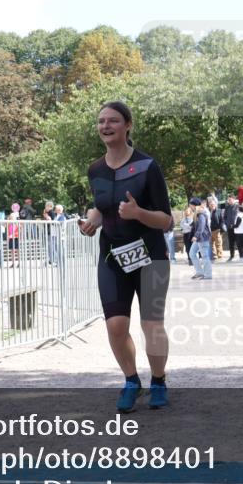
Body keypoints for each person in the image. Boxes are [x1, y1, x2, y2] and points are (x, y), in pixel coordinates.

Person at [78, 101, 173, 412]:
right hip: (112, 258)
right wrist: (92, 221)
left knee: (151, 325)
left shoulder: (148, 166)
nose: (106, 126)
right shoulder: (95, 169)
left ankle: (158, 380)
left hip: (150, 257)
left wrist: (138, 213)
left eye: (113, 120)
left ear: (128, 125)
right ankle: (132, 381)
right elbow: (103, 206)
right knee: (116, 326)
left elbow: (166, 221)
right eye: (101, 121)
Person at [188, 197, 212, 280]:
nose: (190, 207)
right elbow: (196, 225)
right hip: (199, 238)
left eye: (190, 205)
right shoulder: (196, 214)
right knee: (192, 253)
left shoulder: (201, 214)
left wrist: (195, 236)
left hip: (202, 238)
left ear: (194, 205)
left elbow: (201, 227)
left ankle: (208, 275)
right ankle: (200, 272)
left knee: (204, 256)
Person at [225, 195, 239, 262]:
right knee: (231, 242)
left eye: (230, 199)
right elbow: (225, 216)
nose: (229, 201)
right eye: (228, 200)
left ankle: (240, 255)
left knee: (238, 241)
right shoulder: (227, 207)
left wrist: (235, 224)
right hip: (229, 227)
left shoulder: (237, 206)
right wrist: (226, 223)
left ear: (234, 199)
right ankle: (232, 255)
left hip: (236, 227)